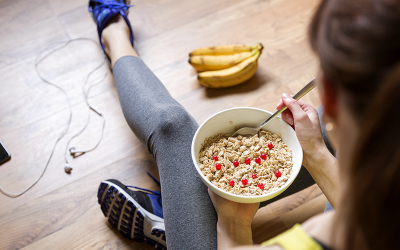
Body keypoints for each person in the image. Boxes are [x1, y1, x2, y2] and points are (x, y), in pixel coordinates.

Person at [92, 0, 400, 249]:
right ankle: (178, 215)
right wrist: (316, 151)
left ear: (329, 95)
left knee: (173, 127)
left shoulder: (320, 237)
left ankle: (114, 33)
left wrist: (232, 221)